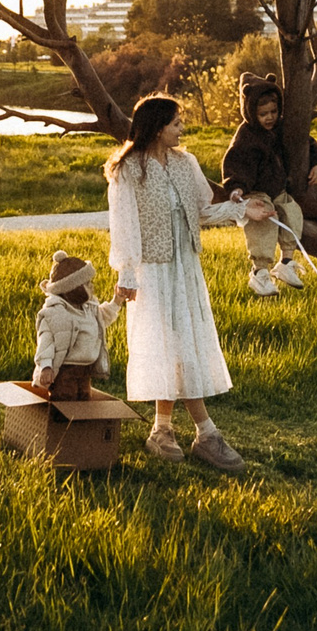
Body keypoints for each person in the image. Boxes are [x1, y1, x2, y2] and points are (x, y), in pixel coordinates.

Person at [104, 92, 250, 470]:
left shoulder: (186, 163)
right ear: (156, 128)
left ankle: (163, 428)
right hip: (151, 271)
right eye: (176, 124)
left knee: (183, 342)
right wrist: (127, 274)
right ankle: (206, 432)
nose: (182, 129)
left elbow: (203, 210)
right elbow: (123, 227)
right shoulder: (128, 170)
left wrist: (242, 208)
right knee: (169, 344)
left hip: (185, 267)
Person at [220, 74, 317, 296]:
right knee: (266, 220)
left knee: (293, 212)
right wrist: (236, 188)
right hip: (255, 190)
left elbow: (307, 143)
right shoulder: (246, 136)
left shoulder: (281, 127)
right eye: (263, 114)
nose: (269, 118)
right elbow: (234, 163)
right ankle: (260, 273)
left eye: (273, 113)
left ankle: (286, 262)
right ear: (251, 112)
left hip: (278, 189)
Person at [31, 249, 119, 401]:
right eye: (87, 284)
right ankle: (60, 423)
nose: (92, 287)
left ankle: (80, 425)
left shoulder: (88, 308)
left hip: (85, 370)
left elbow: (103, 317)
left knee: (84, 398)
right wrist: (46, 367)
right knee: (65, 398)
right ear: (74, 288)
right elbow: (45, 342)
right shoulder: (55, 313)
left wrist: (117, 301)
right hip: (65, 370)